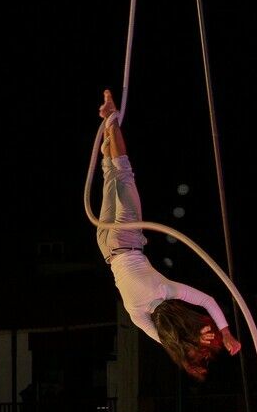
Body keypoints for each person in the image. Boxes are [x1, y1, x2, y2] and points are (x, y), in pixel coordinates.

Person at [96, 89, 241, 381]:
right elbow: (170, 341)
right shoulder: (139, 317)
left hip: (127, 240)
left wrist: (226, 334)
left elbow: (209, 301)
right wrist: (192, 349)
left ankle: (110, 118)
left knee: (124, 173)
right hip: (107, 248)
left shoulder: (165, 290)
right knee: (112, 177)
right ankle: (107, 143)